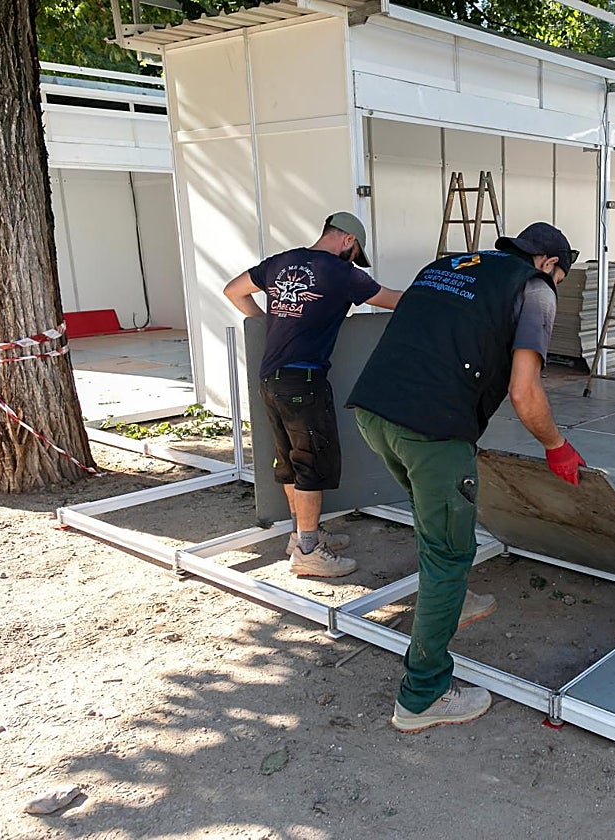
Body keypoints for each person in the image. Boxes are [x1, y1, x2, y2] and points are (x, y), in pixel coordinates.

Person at [347, 222, 587, 733]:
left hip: (372, 412)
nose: (557, 288)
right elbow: (525, 393)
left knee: (432, 521)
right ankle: (422, 695)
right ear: (548, 263)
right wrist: (556, 446)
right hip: (432, 432)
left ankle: (453, 602)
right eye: (560, 277)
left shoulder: (445, 266)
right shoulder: (535, 289)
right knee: (449, 550)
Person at [224, 211, 402, 579]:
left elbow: (233, 290)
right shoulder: (342, 273)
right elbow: (395, 301)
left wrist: (266, 325)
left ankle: (301, 534)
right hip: (304, 382)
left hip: (271, 379)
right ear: (348, 241)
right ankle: (308, 551)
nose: (354, 260)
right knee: (311, 465)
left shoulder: (280, 262)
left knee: (291, 461)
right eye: (354, 253)